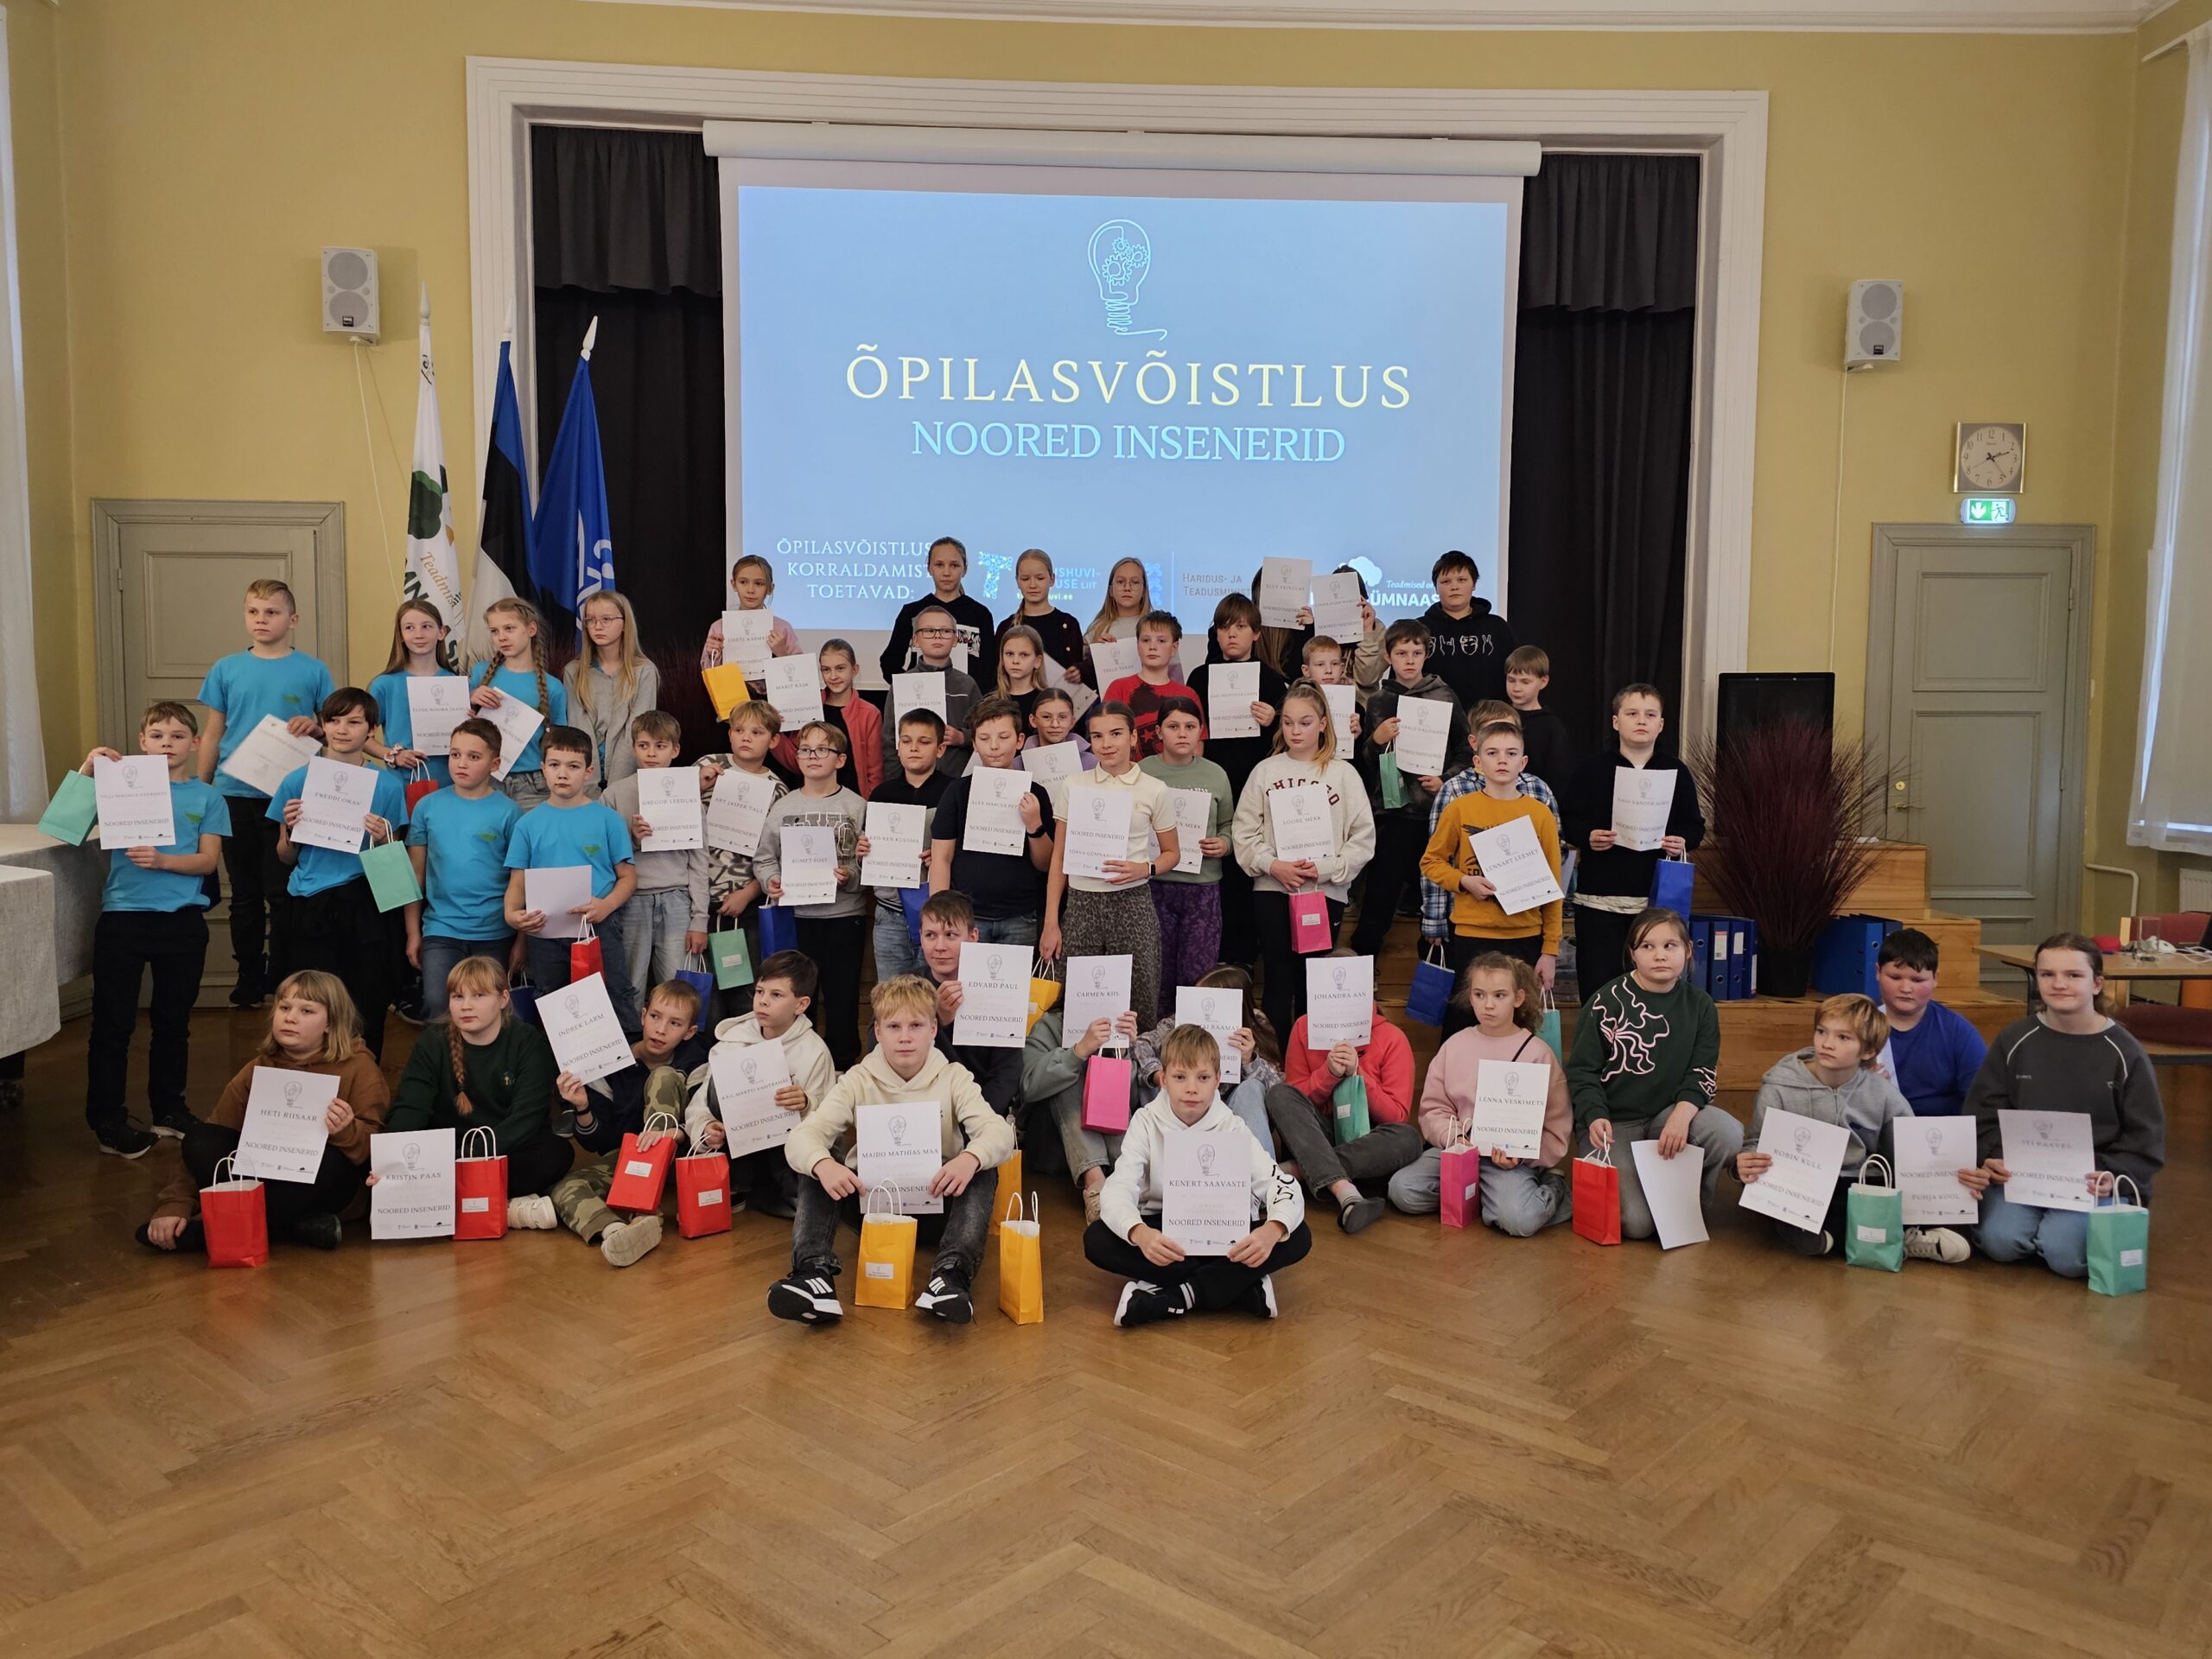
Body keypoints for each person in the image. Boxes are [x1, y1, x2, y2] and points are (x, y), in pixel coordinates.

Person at [767, 975, 1014, 1325]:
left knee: (984, 1166)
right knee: (817, 1162)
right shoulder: (856, 1079)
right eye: (894, 1026)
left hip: (939, 1205)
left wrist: (969, 1158)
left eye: (916, 1025)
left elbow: (998, 1132)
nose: (905, 1036)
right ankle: (813, 1274)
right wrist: (823, 1164)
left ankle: (951, 1276)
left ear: (933, 1029)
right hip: (872, 1209)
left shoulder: (954, 1077)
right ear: (878, 1032)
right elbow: (801, 1137)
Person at [138, 971, 387, 1255]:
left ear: (331, 1023)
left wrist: (346, 1129)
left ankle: (211, 1235)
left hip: (322, 1184)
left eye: (306, 1011)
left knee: (330, 1164)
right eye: (284, 1007)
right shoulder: (259, 1067)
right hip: (264, 1175)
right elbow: (216, 1131)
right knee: (199, 1139)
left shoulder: (359, 1067)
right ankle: (297, 1226)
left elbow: (376, 1150)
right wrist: (175, 1204)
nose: (290, 1018)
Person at [1965, 934, 2165, 1279]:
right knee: (2000, 1242)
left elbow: (2145, 1136)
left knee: (2065, 1256)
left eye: (2073, 975)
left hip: (2093, 1179)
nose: (2059, 984)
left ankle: (2057, 1235)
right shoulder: (2014, 1040)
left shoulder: (2125, 1052)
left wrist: (2114, 1175)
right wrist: (1992, 1155)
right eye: (2047, 974)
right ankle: (2038, 1232)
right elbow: (1982, 1112)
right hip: (2022, 1175)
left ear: (2097, 983)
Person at [80, 702, 231, 1158]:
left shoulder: (208, 797)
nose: (168, 744)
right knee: (113, 1023)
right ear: (142, 742)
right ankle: (107, 1120)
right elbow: (64, 826)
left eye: (178, 736)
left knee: (173, 1022)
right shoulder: (116, 787)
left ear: (195, 743)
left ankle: (169, 1109)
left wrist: (163, 861)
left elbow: (208, 862)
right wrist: (87, 772)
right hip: (123, 918)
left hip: (182, 922)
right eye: (158, 735)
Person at [1089, 1025, 1310, 1326]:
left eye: (1203, 1078)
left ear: (1218, 1080)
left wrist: (1271, 1229)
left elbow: (1279, 1183)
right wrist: (1140, 1234)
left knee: (1298, 1234)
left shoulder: (1232, 1126)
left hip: (1224, 1234)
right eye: (1180, 1077)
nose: (1191, 1088)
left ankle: (1179, 1295)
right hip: (1165, 1233)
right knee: (1097, 1239)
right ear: (1164, 1079)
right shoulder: (1145, 1121)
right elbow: (1119, 1187)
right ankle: (1239, 1286)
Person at [1738, 994, 1963, 1261]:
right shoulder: (1780, 1085)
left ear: (1868, 1051)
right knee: (1770, 1197)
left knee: (1877, 1196)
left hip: (1858, 1181)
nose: (1827, 1043)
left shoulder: (1881, 1092)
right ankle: (1889, 1238)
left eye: (1843, 1037)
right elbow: (1756, 1143)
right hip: (1802, 1184)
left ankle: (1835, 1235)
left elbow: (1907, 1156)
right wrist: (1746, 1162)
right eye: (1821, 1031)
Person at [195, 576, 334, 1008]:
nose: (261, 619)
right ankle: (249, 980)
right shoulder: (226, 668)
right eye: (253, 612)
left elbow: (333, 729)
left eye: (272, 612)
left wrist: (317, 730)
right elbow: (213, 732)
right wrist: (201, 791)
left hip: (292, 798)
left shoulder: (313, 670)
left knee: (284, 890)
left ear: (293, 620)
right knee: (244, 894)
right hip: (234, 794)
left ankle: (285, 979)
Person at [1567, 907, 1741, 1243]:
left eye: (1669, 946)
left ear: (1687, 951)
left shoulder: (1700, 1005)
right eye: (1647, 946)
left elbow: (1703, 1071)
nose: (1660, 955)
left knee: (1728, 1133)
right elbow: (1582, 1071)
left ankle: (1686, 1204)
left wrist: (1681, 1116)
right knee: (1637, 1224)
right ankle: (1641, 1190)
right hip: (1613, 1124)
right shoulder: (1605, 1002)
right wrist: (1594, 1115)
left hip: (1667, 1116)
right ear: (1632, 953)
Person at [268, 687, 410, 1058]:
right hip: (308, 903)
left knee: (366, 1005)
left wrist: (382, 839)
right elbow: (285, 857)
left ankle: (362, 1083)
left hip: (363, 903)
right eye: (333, 721)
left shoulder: (388, 785)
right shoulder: (296, 781)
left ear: (372, 730)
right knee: (310, 1005)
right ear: (323, 725)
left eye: (354, 722)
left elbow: (395, 869)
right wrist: (290, 831)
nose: (342, 730)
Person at [1231, 682, 1376, 1042]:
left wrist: (1325, 869)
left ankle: (1308, 1065)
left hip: (1323, 893)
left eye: (1305, 723)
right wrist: (1271, 865)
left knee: (1314, 981)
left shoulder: (1343, 774)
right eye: (1288, 722)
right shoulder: (1265, 771)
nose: (1295, 731)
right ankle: (1273, 1064)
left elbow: (1363, 838)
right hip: (1273, 889)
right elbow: (1243, 833)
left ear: (1324, 724)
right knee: (1278, 978)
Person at [1389, 954, 1573, 1234]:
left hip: (1507, 1163)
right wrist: (1454, 1139)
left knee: (1519, 1220)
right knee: (1403, 1189)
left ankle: (1553, 1186)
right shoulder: (1455, 1045)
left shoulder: (1538, 1054)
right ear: (1470, 998)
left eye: (1499, 995)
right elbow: (1435, 1107)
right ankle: (1485, 1197)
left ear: (1518, 998)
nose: (1488, 1005)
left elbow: (1555, 1125)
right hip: (1459, 1151)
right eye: (1479, 995)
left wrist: (1522, 1156)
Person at [386, 956, 570, 1221]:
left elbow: (526, 1119)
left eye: (479, 995)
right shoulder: (433, 1042)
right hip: (447, 1153)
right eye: (457, 997)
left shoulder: (528, 1042)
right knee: (377, 1161)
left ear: (503, 999)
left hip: (503, 1149)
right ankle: (500, 1206)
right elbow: (410, 1108)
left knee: (556, 1153)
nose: (466, 1006)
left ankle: (453, 1201)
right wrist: (390, 1161)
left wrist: (468, 1159)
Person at [549, 978, 709, 1268]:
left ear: (689, 1032)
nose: (661, 1029)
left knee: (663, 1076)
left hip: (680, 1156)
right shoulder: (612, 1059)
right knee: (565, 1188)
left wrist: (676, 1134)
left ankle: (643, 1209)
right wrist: (583, 1107)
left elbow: (704, 1115)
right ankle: (616, 1231)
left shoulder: (697, 1058)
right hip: (632, 1161)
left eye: (674, 1023)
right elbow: (600, 1142)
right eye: (656, 1017)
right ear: (643, 1016)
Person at [502, 724, 642, 1052]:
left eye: (573, 766)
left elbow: (628, 877)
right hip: (545, 932)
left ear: (589, 772)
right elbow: (517, 882)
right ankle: (560, 1076)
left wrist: (606, 906)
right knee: (552, 1002)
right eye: (554, 765)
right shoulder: (527, 824)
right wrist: (511, 915)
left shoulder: (608, 820)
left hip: (598, 928)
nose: (563, 773)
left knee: (614, 995)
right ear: (543, 768)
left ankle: (628, 1072)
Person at [1040, 702, 1179, 1030]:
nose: (1106, 743)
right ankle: (1076, 1061)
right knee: (1074, 998)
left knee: (1139, 997)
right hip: (1082, 904)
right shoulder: (1074, 785)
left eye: (1116, 734)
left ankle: (1137, 1063)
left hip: (1133, 902)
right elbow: (1059, 857)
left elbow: (1172, 853)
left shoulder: (1154, 789)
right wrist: (1051, 922)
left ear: (1133, 737)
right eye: (1097, 736)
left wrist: (1146, 869)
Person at [1560, 684, 1704, 995]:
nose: (1641, 721)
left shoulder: (1676, 771)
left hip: (1655, 901)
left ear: (1661, 724)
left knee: (1652, 990)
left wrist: (1681, 841)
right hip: (1599, 899)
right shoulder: (1592, 769)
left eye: (1650, 715)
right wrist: (1588, 836)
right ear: (1616, 721)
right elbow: (1568, 822)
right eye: (1632, 713)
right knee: (1599, 989)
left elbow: (1695, 827)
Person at [1419, 721, 1564, 1018]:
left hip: (1525, 936)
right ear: (1477, 762)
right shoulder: (1460, 808)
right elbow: (1430, 862)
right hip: (1472, 933)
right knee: (1468, 1022)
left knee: (1519, 1023)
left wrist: (1550, 950)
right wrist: (1463, 881)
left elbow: (1553, 887)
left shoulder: (1540, 815)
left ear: (1523, 762)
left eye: (1511, 754)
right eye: (1492, 753)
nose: (1502, 760)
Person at [683, 949, 834, 1218]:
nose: (763, 1001)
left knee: (806, 1201)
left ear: (801, 1005)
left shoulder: (815, 1052)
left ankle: (773, 1192)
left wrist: (806, 1103)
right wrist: (706, 1127)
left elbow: (831, 1117)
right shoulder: (732, 1041)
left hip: (781, 1154)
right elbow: (701, 1103)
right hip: (735, 1150)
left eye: (776, 995)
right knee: (719, 1084)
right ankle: (738, 1186)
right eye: (760, 991)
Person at [1354, 619, 1470, 957]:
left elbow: (1466, 750)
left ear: (1426, 655)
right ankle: (1363, 961)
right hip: (1393, 812)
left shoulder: (1444, 696)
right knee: (1381, 892)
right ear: (1388, 657)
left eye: (1416, 653)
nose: (1409, 660)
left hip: (1434, 814)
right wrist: (1375, 741)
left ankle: (1438, 963)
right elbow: (1367, 764)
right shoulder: (1378, 701)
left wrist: (1445, 779)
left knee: (1435, 895)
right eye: (1402, 653)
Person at [755, 720, 868, 1068]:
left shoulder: (857, 806)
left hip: (844, 918)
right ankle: (794, 1070)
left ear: (841, 760)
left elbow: (869, 864)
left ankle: (841, 1070)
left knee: (842, 1000)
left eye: (822, 750)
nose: (812, 756)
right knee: (794, 1000)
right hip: (795, 918)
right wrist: (772, 881)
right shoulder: (784, 806)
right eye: (805, 750)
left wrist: (850, 876)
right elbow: (764, 857)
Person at [1183, 594, 1286, 966]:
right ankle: (1211, 955)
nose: (1231, 634)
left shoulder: (1273, 681)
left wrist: (1274, 720)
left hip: (1253, 788)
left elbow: (1290, 741)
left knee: (1247, 872)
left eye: (1240, 627)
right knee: (1212, 870)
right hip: (1210, 786)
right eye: (1224, 627)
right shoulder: (1200, 676)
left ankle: (1243, 957)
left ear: (1256, 633)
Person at [1264, 1001, 1420, 1235]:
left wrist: (1358, 1074)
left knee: (1409, 1138)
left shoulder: (1392, 1037)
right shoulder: (1303, 1027)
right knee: (1279, 1093)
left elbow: (1396, 1115)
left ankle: (1297, 1170)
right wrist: (1329, 1074)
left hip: (1369, 1146)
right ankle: (1346, 1193)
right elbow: (1295, 1100)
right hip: (1318, 1135)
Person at [404, 717, 522, 1021]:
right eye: (455, 754)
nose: (461, 763)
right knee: (437, 1002)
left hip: (494, 931)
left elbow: (521, 882)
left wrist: (522, 941)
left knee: (488, 1010)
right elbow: (415, 875)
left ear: (495, 764)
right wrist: (413, 932)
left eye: (474, 756)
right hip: (441, 928)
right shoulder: (427, 807)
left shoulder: (510, 813)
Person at [927, 695, 1055, 946]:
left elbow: (1046, 864)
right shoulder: (958, 791)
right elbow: (941, 857)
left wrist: (1034, 825)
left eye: (1003, 737)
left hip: (1020, 915)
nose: (994, 746)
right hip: (967, 916)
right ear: (974, 743)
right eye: (984, 738)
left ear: (1020, 740)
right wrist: (940, 913)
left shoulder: (1036, 792)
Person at [604, 710, 709, 1000]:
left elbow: (700, 861)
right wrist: (633, 840)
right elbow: (603, 857)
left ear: (675, 750)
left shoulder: (689, 795)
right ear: (633, 748)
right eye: (644, 745)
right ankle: (631, 1031)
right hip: (631, 900)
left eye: (660, 746)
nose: (651, 754)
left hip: (677, 899)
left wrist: (700, 919)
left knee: (679, 989)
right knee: (629, 987)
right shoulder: (614, 794)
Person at [696, 700, 789, 1019]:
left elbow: (777, 856)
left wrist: (748, 894)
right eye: (739, 730)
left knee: (741, 990)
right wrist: (697, 785)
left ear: (774, 741)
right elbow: (675, 817)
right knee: (702, 994)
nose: (746, 737)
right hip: (695, 901)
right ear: (730, 734)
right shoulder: (708, 766)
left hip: (741, 905)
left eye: (757, 732)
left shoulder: (778, 790)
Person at [1140, 696, 1232, 990]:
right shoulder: (1141, 772)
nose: (1182, 734)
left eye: (1190, 727)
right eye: (1173, 726)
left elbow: (1228, 825)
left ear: (1200, 731)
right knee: (1156, 973)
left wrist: (1224, 843)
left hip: (1202, 888)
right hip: (1154, 885)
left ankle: (1192, 1024)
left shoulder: (1216, 774)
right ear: (1158, 732)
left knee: (1199, 974)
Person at [1025, 1004, 1144, 1226]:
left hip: (1117, 1154)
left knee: (1105, 1076)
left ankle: (1125, 1180)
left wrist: (1127, 1052)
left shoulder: (1119, 1024)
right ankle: (1095, 1184)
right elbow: (1028, 1087)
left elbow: (1136, 1100)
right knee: (1068, 1076)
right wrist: (1077, 1053)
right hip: (1052, 1145)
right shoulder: (1051, 1024)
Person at [914, 890, 1025, 1123]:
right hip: (923, 1113)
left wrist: (976, 1120)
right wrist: (936, 1018)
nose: (940, 946)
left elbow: (1006, 1073)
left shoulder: (1001, 992)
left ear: (973, 936)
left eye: (951, 935)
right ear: (920, 937)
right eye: (931, 935)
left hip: (982, 1115)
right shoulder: (906, 988)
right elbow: (880, 1045)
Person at [861, 707, 950, 983]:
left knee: (932, 994)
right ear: (897, 747)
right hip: (890, 912)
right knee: (890, 994)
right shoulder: (881, 794)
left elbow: (964, 852)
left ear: (940, 749)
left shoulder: (953, 792)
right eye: (907, 741)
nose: (914, 748)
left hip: (937, 911)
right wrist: (863, 852)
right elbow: (868, 854)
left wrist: (945, 856)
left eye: (924, 741)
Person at [1873, 928, 1987, 1116]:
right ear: (1878, 972)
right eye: (1895, 977)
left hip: (1940, 1131)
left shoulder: (1958, 1033)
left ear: (1935, 978)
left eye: (1917, 980)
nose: (1905, 988)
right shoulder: (1856, 1022)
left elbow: (1983, 1102)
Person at [469, 596, 567, 810]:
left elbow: (559, 741)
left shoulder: (553, 687)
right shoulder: (480, 673)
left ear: (531, 629)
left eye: (509, 628)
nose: (502, 637)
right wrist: (471, 697)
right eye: (494, 631)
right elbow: (459, 725)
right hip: (487, 776)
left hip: (534, 782)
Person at [565, 589, 659, 793]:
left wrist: (616, 789)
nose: (598, 626)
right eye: (591, 620)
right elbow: (579, 726)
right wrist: (589, 785)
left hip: (626, 777)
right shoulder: (574, 672)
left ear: (624, 624)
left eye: (606, 619)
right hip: (585, 777)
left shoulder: (644, 671)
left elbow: (637, 729)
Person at [367, 596, 462, 788]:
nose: (419, 634)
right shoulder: (384, 685)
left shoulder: (456, 683)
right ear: (401, 635)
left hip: (453, 785)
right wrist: (392, 755)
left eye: (426, 626)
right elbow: (361, 737)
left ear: (441, 632)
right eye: (409, 628)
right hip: (404, 783)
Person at [771, 639, 881, 799]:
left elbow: (875, 770)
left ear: (854, 670)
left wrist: (871, 805)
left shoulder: (869, 713)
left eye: (840, 668)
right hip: (811, 798)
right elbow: (796, 760)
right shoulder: (808, 706)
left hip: (854, 801)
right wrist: (774, 732)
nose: (833, 676)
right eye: (826, 670)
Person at [881, 603, 982, 781]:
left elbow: (983, 731)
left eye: (945, 631)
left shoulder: (967, 685)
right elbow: (890, 739)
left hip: (955, 780)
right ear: (915, 640)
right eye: (928, 631)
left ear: (955, 639)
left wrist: (962, 737)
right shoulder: (901, 685)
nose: (937, 636)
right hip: (910, 782)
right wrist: (895, 783)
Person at [880, 536, 995, 689]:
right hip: (922, 699)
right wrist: (909, 689)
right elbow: (889, 662)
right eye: (939, 565)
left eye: (954, 565)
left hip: (968, 700)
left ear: (965, 569)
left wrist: (975, 695)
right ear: (929, 568)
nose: (947, 572)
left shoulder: (980, 614)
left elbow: (990, 667)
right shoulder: (911, 612)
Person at [1420, 549, 1516, 709]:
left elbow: (1515, 674)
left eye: (1462, 580)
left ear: (1474, 584)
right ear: (1435, 587)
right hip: (1434, 718)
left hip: (1489, 717)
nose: (1454, 587)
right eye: (1446, 582)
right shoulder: (1419, 629)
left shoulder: (1497, 627)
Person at [1103, 609, 1198, 760]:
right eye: (1146, 640)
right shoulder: (1119, 688)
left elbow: (1196, 748)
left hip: (1175, 773)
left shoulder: (1187, 695)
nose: (1152, 646)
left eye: (1161, 641)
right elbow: (1106, 737)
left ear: (1174, 648)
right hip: (1129, 772)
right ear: (1138, 645)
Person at [701, 553, 802, 689]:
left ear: (770, 588)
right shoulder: (719, 628)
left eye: (759, 584)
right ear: (734, 584)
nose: (750, 590)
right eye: (743, 582)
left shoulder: (782, 628)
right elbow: (709, 677)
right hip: (733, 697)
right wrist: (713, 655)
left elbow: (800, 676)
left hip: (773, 700)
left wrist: (781, 653)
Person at [997, 548, 1085, 687]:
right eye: (1025, 579)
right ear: (1017, 581)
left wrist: (1080, 671)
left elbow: (1077, 671)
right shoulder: (1007, 627)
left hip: (1058, 698)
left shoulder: (1069, 624)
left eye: (1040, 578)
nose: (1032, 585)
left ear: (1052, 579)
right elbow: (998, 674)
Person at [1503, 645, 1573, 789]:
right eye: (1511, 680)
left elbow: (1557, 777)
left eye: (1525, 682)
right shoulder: (1498, 717)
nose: (1516, 688)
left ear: (1543, 681)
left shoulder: (1552, 727)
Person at [1081, 556, 1152, 685]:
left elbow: (1173, 675)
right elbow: (1082, 679)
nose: (1127, 588)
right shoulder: (1097, 629)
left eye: (1135, 582)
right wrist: (1094, 653)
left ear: (1144, 591)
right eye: (1120, 582)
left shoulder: (1157, 628)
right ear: (1111, 591)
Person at [1022, 686, 1096, 772]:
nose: (1055, 725)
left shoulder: (1091, 763)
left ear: (1072, 722)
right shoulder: (1017, 765)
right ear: (1033, 720)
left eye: (1062, 717)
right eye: (1046, 717)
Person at [994, 622, 1049, 731]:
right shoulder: (990, 701)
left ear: (1037, 661)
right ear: (1002, 658)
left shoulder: (1049, 701)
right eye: (1009, 654)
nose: (1015, 661)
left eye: (1024, 655)